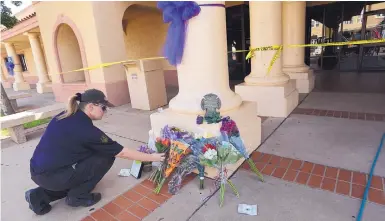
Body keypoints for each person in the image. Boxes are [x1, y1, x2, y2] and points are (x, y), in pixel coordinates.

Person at [25, 89, 164, 215]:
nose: (105, 111)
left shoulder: (65, 115)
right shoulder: (87, 130)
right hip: (53, 176)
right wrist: (153, 157)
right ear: (91, 107)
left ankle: (39, 196)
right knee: (106, 156)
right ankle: (78, 196)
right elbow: (121, 152)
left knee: (88, 157)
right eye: (103, 108)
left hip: (39, 171)